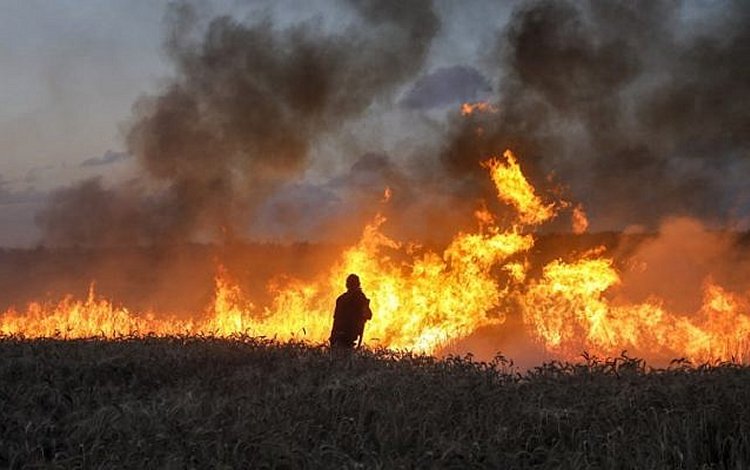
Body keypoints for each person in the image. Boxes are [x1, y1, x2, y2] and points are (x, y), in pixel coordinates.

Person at [329, 274, 372, 349]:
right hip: (348, 335)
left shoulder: (341, 299)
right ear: (358, 284)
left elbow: (336, 320)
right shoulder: (360, 298)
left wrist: (333, 337)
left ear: (346, 285)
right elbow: (369, 315)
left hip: (343, 334)